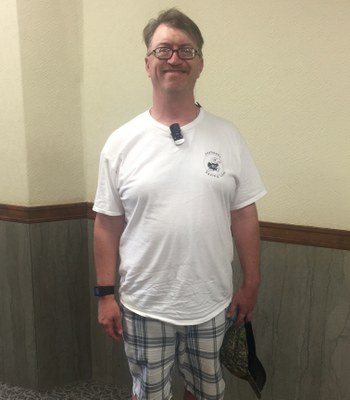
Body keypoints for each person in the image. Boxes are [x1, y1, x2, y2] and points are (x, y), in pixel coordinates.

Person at [93, 8, 266, 400]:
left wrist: (251, 283)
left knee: (206, 391)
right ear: (148, 63)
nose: (175, 58)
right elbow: (106, 223)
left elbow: (244, 215)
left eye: (186, 51)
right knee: (149, 393)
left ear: (200, 64)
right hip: (145, 303)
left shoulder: (228, 137)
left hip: (210, 302)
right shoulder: (122, 142)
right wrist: (105, 293)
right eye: (164, 50)